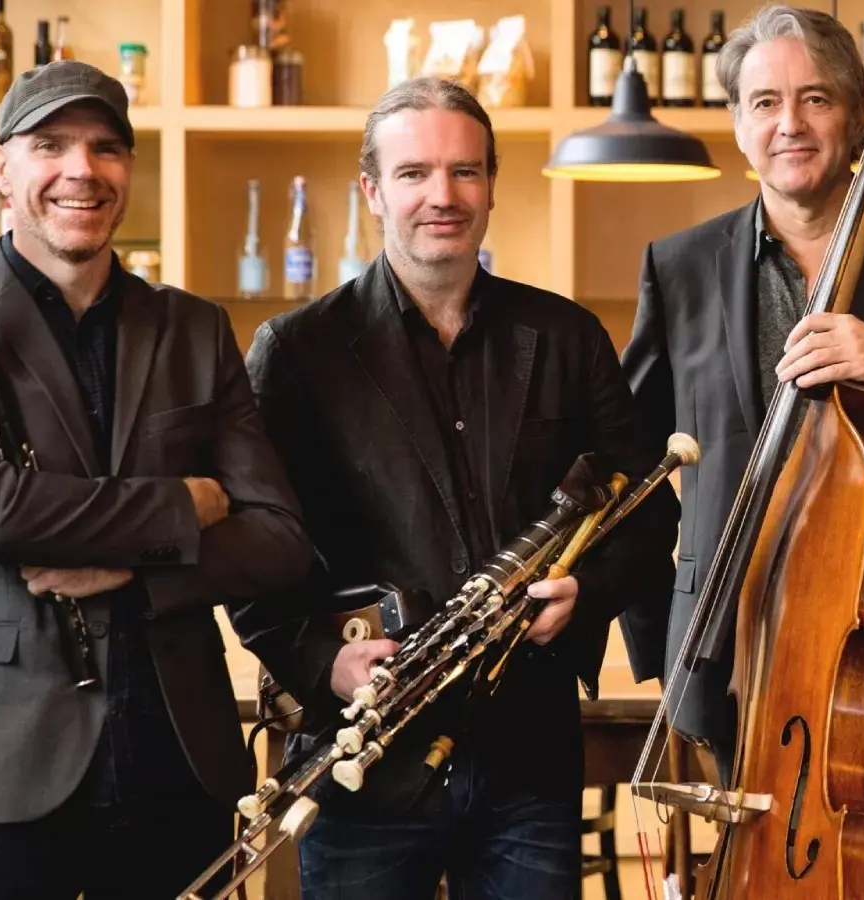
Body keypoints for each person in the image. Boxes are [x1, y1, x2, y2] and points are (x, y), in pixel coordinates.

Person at [0, 60, 314, 898]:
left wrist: (129, 570)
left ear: (128, 172)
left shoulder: (195, 327)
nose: (83, 169)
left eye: (107, 148)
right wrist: (184, 505)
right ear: (0, 169)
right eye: (51, 145)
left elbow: (279, 540)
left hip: (173, 757)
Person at [239, 77, 677, 899]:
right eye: (414, 174)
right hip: (365, 762)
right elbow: (252, 552)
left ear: (491, 186)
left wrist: (585, 593)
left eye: (465, 172)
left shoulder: (567, 337)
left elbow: (649, 522)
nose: (443, 196)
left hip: (528, 760)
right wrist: (322, 663)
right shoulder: (296, 353)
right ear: (372, 190)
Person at [616, 3, 864, 774]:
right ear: (738, 124)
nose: (790, 124)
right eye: (765, 102)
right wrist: (658, 638)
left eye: (816, 98)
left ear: (861, 115)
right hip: (726, 641)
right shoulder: (680, 266)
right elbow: (632, 473)